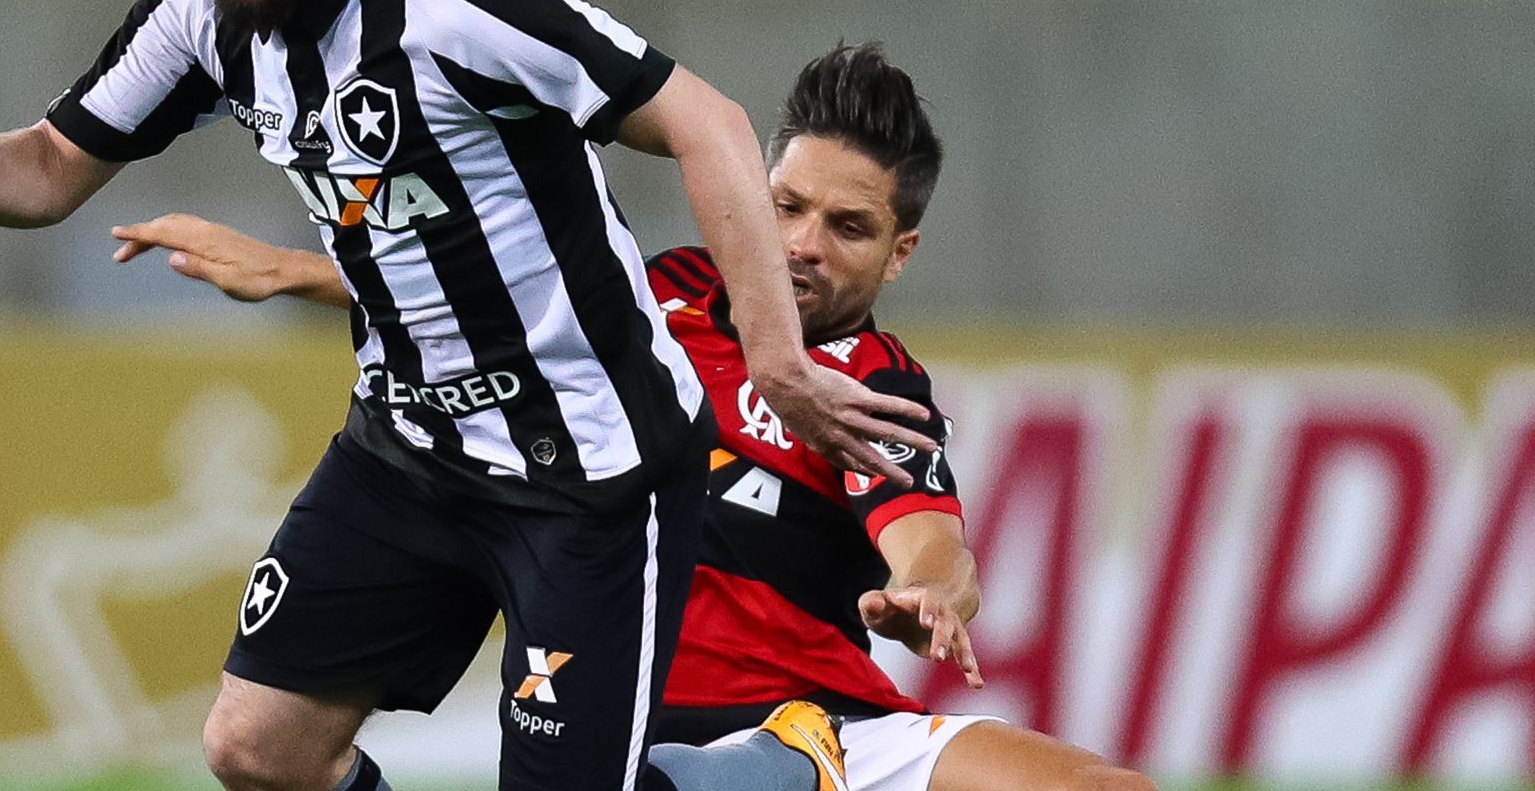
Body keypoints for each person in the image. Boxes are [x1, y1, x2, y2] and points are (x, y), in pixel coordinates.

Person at [0, 0, 933, 791]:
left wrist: (778, 361)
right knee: (257, 748)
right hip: (407, 446)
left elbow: (711, 123)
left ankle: (771, 773)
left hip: (590, 470)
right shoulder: (201, 9)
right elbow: (50, 168)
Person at [114, 43, 1159, 791]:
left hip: (825, 731)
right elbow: (483, 297)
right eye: (787, 206)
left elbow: (932, 544)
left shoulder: (870, 384)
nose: (803, 244)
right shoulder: (657, 294)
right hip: (620, 724)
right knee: (260, 751)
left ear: (900, 255)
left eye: (848, 227)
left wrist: (927, 593)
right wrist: (286, 270)